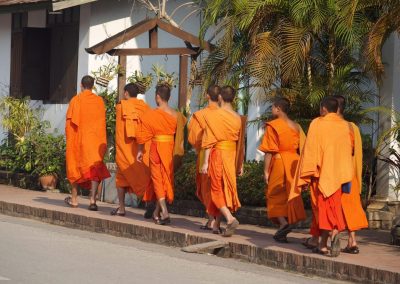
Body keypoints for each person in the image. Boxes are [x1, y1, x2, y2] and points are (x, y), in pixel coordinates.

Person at [293, 96, 354, 257]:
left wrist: (306, 175)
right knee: (334, 207)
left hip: (321, 176)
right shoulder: (344, 126)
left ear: (324, 109)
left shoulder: (317, 123)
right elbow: (348, 150)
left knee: (323, 209)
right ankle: (325, 241)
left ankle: (330, 238)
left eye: (320, 109)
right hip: (339, 175)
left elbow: (311, 150)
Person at [136, 83, 186, 225]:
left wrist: (140, 150)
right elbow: (181, 136)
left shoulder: (150, 115)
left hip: (157, 149)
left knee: (158, 180)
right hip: (169, 149)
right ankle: (157, 212)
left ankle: (164, 211)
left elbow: (142, 134)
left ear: (158, 97)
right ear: (168, 98)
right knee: (165, 179)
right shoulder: (177, 115)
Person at [200, 85, 246, 237]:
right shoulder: (238, 118)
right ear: (233, 99)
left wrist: (205, 162)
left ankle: (230, 218)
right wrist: (241, 163)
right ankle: (216, 225)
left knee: (215, 189)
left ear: (219, 97)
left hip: (218, 154)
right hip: (231, 155)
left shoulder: (215, 115)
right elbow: (241, 143)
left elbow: (209, 140)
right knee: (222, 188)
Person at [258, 97, 306, 243]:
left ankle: (284, 223)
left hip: (279, 161)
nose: (271, 110)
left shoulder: (273, 125)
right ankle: (284, 228)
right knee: (290, 194)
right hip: (294, 162)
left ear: (278, 108)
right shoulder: (297, 126)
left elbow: (269, 151)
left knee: (274, 194)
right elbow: (303, 147)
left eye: (272, 107)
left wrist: (266, 171)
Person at [64, 75, 110, 211]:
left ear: (81, 85)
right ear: (92, 86)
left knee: (74, 166)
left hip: (80, 140)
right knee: (94, 169)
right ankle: (92, 200)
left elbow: (70, 124)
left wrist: (70, 139)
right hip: (95, 141)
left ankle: (74, 199)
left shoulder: (76, 100)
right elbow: (102, 123)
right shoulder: (99, 101)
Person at [333, 95, 369, 254]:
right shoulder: (352, 126)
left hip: (334, 171)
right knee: (351, 204)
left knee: (334, 203)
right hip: (350, 171)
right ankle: (352, 241)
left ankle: (334, 237)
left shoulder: (332, 126)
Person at [111, 83, 151, 216]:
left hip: (125, 150)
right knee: (143, 176)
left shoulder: (120, 107)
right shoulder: (145, 108)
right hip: (141, 150)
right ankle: (149, 204)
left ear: (126, 93)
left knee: (121, 179)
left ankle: (121, 208)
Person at [188, 85, 220, 230]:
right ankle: (215, 220)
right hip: (222, 153)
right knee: (218, 186)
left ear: (207, 96)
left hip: (205, 153)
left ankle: (211, 219)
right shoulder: (225, 115)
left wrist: (199, 146)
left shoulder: (201, 115)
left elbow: (193, 138)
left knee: (207, 186)